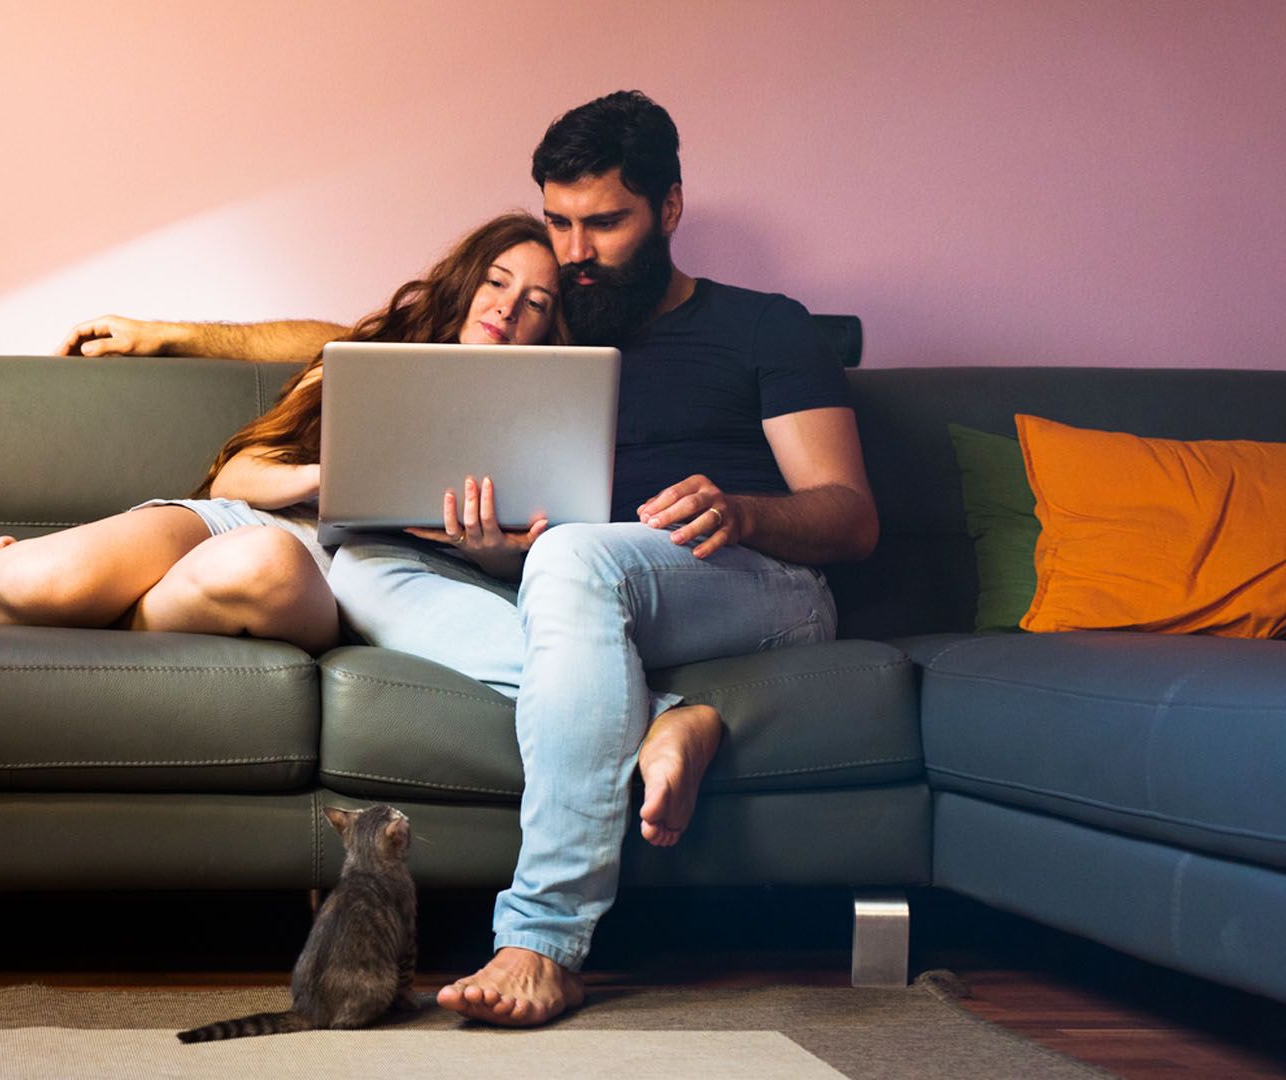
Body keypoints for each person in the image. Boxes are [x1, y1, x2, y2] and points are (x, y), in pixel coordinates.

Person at [61, 91, 879, 1027]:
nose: (575, 250)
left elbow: (851, 519)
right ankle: (668, 720)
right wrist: (182, 336)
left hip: (753, 578)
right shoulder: (552, 317)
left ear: (669, 210)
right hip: (575, 582)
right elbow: (365, 337)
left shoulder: (766, 327)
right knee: (368, 558)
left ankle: (543, 938)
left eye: (604, 222)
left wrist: (740, 509)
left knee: (573, 559)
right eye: (559, 221)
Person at [0, 212, 563, 654]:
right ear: (467, 279)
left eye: (536, 301)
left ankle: (80, 610)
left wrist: (490, 552)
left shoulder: (539, 426)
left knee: (266, 566)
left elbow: (525, 566)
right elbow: (240, 476)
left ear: (550, 329)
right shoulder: (369, 359)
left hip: (326, 576)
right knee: (49, 578)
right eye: (497, 281)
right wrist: (325, 479)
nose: (509, 308)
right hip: (237, 519)